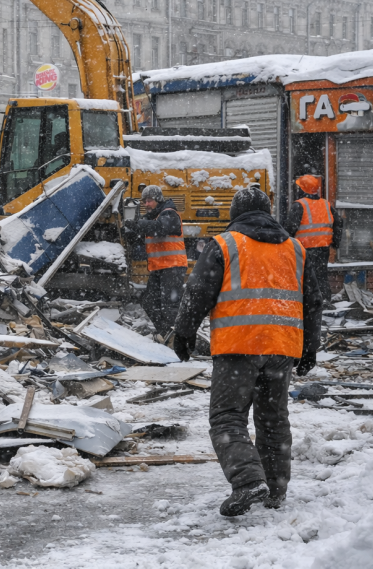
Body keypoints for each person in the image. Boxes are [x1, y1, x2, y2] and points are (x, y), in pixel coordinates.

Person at [172, 187, 322, 516]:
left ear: (235, 214)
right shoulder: (296, 249)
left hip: (237, 346)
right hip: (282, 348)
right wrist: (310, 348)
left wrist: (183, 333)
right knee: (273, 421)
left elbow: (198, 291)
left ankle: (248, 480)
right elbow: (312, 302)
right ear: (269, 212)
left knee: (227, 418)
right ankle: (275, 488)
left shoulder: (225, 244)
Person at [124, 185, 187, 342]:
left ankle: (176, 340)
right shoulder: (153, 218)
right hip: (159, 268)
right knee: (149, 302)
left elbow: (160, 228)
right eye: (144, 201)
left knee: (170, 305)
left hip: (173, 266)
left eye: (149, 201)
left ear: (158, 200)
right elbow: (146, 233)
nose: (146, 204)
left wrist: (137, 224)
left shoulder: (169, 214)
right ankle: (166, 333)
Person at [283, 175, 343, 302]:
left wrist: (285, 244)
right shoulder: (326, 204)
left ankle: (309, 305)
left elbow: (290, 228)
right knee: (321, 277)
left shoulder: (299, 205)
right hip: (323, 248)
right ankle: (324, 302)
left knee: (305, 278)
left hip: (304, 249)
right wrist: (335, 242)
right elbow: (339, 222)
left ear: (302, 189)